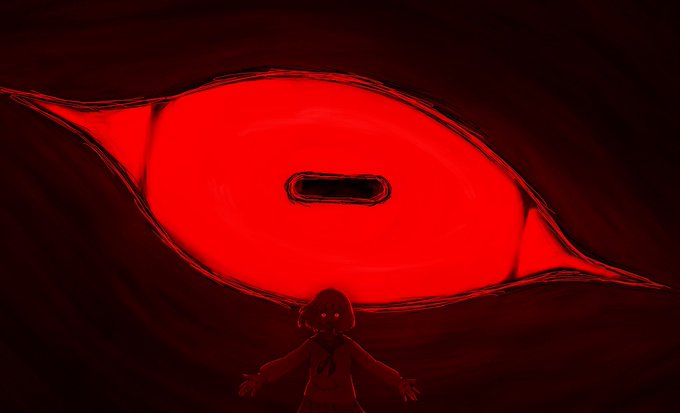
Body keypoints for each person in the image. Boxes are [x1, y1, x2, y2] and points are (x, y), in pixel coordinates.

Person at [239, 288, 419, 412]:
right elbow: (288, 361)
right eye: (324, 314)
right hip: (314, 402)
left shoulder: (348, 345)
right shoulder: (312, 345)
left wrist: (397, 381)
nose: (330, 319)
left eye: (336, 314)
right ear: (316, 315)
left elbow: (372, 364)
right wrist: (262, 377)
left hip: (344, 403)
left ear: (344, 316)